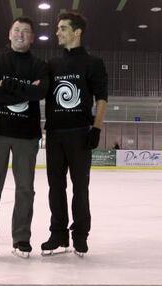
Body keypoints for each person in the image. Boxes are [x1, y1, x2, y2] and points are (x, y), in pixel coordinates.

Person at [0, 16, 48, 258]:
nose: (20, 34)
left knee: (25, 189)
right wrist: (25, 92)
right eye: (16, 30)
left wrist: (8, 86)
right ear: (9, 34)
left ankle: (21, 239)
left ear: (32, 38)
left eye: (26, 31)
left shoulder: (39, 65)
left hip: (26, 135)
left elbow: (41, 92)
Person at [42, 12, 108, 256]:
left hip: (80, 133)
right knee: (55, 186)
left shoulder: (93, 63)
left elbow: (102, 99)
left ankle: (80, 234)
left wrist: (97, 128)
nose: (57, 32)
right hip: (55, 134)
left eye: (62, 28)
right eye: (57, 28)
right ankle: (58, 234)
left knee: (80, 187)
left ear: (77, 32)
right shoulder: (52, 65)